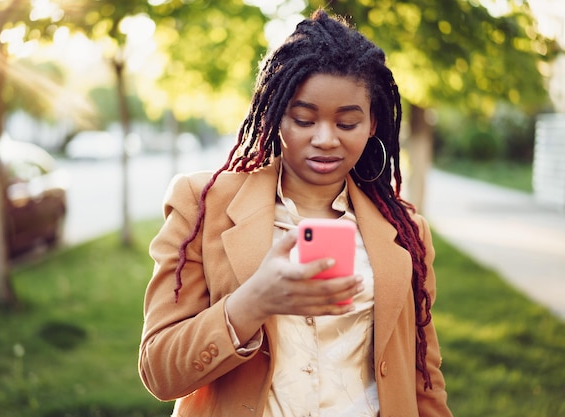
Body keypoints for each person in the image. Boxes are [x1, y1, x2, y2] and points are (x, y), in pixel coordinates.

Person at [138, 9, 453, 417]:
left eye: (347, 123)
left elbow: (424, 380)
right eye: (304, 119)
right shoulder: (201, 204)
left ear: (373, 122)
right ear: (276, 115)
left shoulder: (406, 231)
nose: (325, 139)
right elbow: (159, 370)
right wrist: (253, 301)